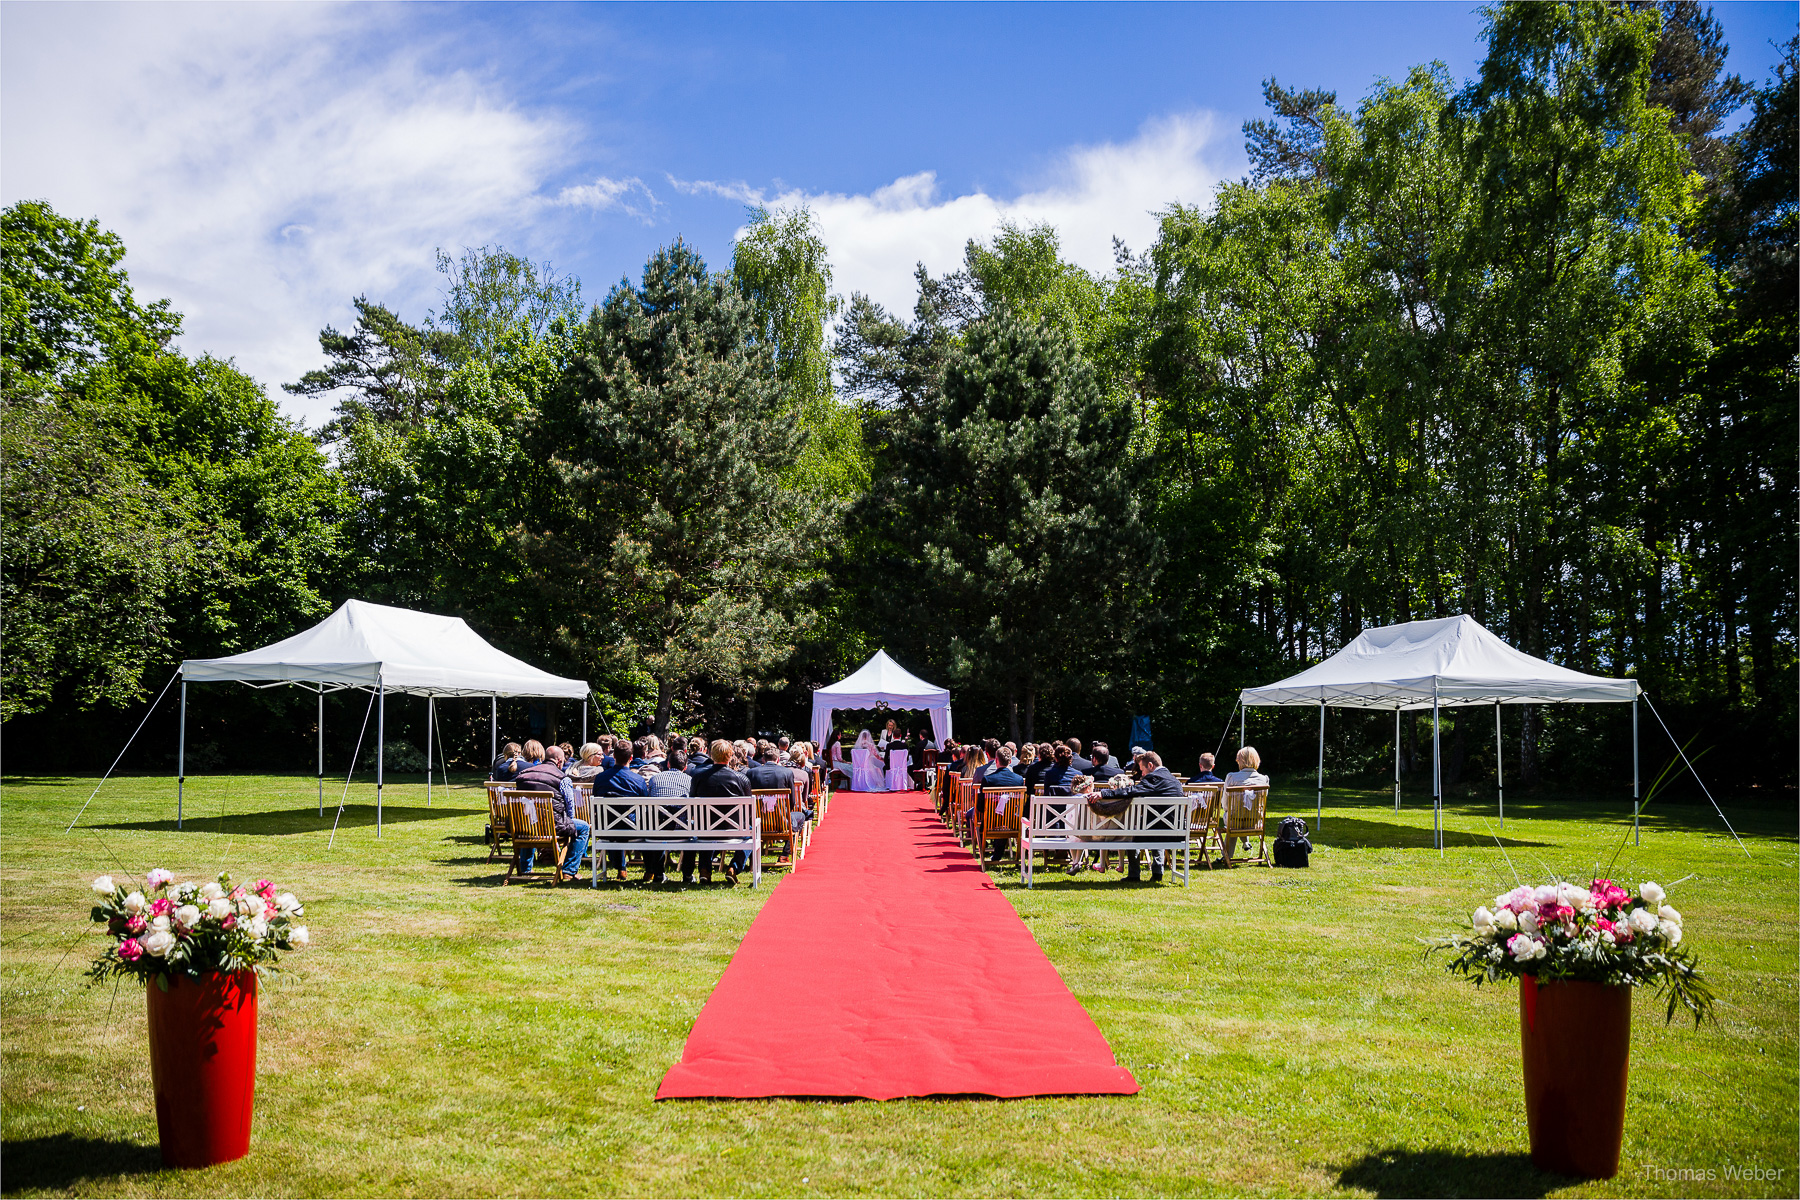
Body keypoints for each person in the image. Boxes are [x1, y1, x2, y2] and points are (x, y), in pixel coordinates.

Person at [1070, 750, 1183, 883]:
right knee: (1150, 824)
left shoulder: (1154, 778)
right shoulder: (1174, 780)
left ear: (1151, 766)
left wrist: (1104, 794)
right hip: (1176, 831)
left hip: (1157, 830)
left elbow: (1132, 790)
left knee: (1131, 830)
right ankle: (1157, 872)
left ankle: (1134, 874)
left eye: (1142, 770)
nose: (1142, 774)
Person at [511, 742, 589, 883]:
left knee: (530, 823)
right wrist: (569, 823)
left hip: (524, 824)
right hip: (552, 824)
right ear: (559, 760)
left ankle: (525, 868)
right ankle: (568, 871)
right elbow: (570, 805)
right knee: (583, 827)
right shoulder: (562, 778)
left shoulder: (523, 775)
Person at [686, 739, 753, 883]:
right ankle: (733, 868)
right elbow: (748, 810)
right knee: (752, 831)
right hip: (735, 829)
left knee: (705, 823)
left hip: (705, 830)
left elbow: (691, 803)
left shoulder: (698, 777)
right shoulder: (741, 778)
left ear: (711, 755)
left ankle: (705, 869)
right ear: (730, 756)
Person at [593, 741, 651, 879]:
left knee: (614, 820)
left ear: (614, 757)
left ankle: (621, 868)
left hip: (605, 828)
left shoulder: (600, 778)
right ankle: (650, 870)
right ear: (631, 758)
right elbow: (646, 805)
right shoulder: (638, 780)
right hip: (633, 828)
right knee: (644, 823)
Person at [639, 747, 693, 883]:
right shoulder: (689, 781)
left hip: (658, 828)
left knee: (658, 823)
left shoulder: (654, 780)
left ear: (668, 764)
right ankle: (687, 875)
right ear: (685, 767)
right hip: (682, 829)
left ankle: (658, 874)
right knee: (693, 834)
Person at [970, 746, 1026, 862]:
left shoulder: (988, 780)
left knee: (983, 821)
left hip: (991, 823)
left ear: (996, 761)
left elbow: (980, 807)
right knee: (1004, 820)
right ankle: (998, 855)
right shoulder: (1019, 780)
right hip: (1012, 823)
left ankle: (988, 853)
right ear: (1010, 761)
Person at [1220, 747, 1271, 865]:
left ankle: (1227, 856)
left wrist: (1230, 811)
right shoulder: (1264, 779)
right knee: (1239, 818)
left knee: (1233, 819)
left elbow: (1225, 804)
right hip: (1255, 822)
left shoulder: (1232, 777)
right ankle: (1234, 851)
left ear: (1241, 760)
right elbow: (1262, 803)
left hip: (1234, 821)